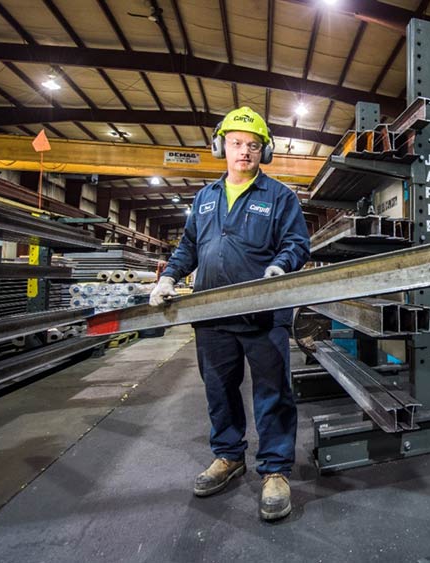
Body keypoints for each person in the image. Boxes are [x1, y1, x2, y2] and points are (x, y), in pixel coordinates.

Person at [149, 106, 309, 521]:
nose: (245, 151)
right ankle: (228, 455)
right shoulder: (204, 198)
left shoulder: (279, 196)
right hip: (212, 313)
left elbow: (296, 243)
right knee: (219, 389)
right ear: (222, 146)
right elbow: (188, 246)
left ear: (263, 153)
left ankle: (274, 470)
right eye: (237, 143)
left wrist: (280, 267)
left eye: (253, 146)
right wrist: (168, 277)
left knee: (272, 392)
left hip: (263, 314)